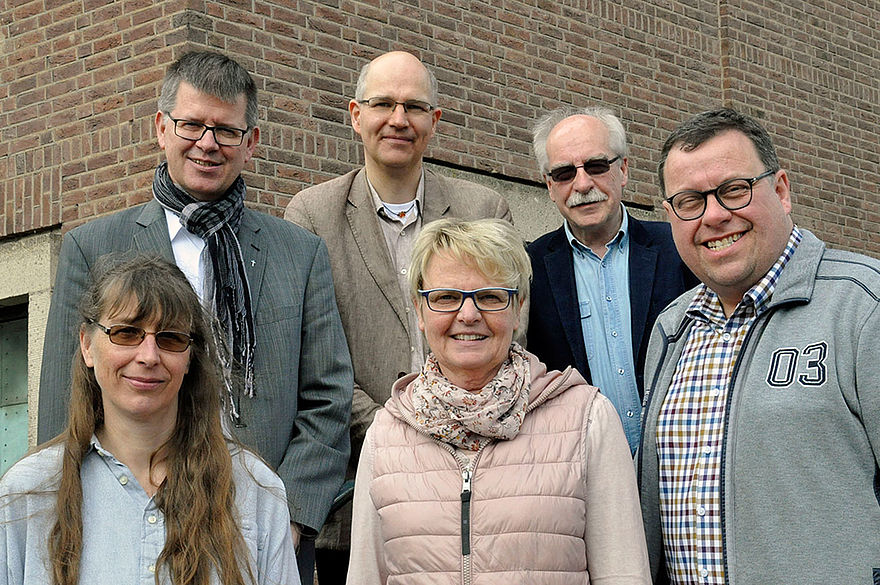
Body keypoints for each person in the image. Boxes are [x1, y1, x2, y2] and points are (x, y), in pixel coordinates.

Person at [37, 51, 352, 585]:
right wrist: (70, 506)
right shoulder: (93, 248)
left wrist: (289, 514)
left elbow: (328, 394)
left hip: (258, 528)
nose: (208, 142)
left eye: (226, 130)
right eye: (192, 125)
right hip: (120, 519)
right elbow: (62, 401)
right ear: (161, 128)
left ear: (250, 143)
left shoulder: (299, 254)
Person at [284, 51, 511, 582]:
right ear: (355, 114)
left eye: (414, 106)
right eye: (383, 103)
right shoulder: (310, 216)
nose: (398, 118)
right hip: (359, 499)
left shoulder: (486, 211)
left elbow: (504, 335)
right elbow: (317, 363)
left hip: (477, 495)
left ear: (436, 121)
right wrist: (399, 432)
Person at [637, 108, 880, 585]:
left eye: (733, 190)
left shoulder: (861, 307)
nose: (714, 215)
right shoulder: (672, 328)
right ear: (670, 217)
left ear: (782, 190)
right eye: (689, 201)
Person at [348, 218, 650, 585]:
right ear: (419, 311)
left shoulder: (587, 419)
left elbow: (624, 574)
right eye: (446, 297)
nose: (469, 315)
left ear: (518, 306)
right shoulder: (387, 433)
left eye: (490, 297)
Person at [1, 255, 298, 584]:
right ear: (87, 345)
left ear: (188, 359)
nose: (148, 356)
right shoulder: (29, 493)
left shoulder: (254, 490)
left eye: (170, 338)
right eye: (126, 333)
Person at [526, 106, 697, 454]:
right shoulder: (530, 268)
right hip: (583, 474)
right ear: (549, 186)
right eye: (563, 173)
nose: (583, 184)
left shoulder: (679, 248)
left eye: (597, 166)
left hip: (680, 463)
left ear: (623, 170)